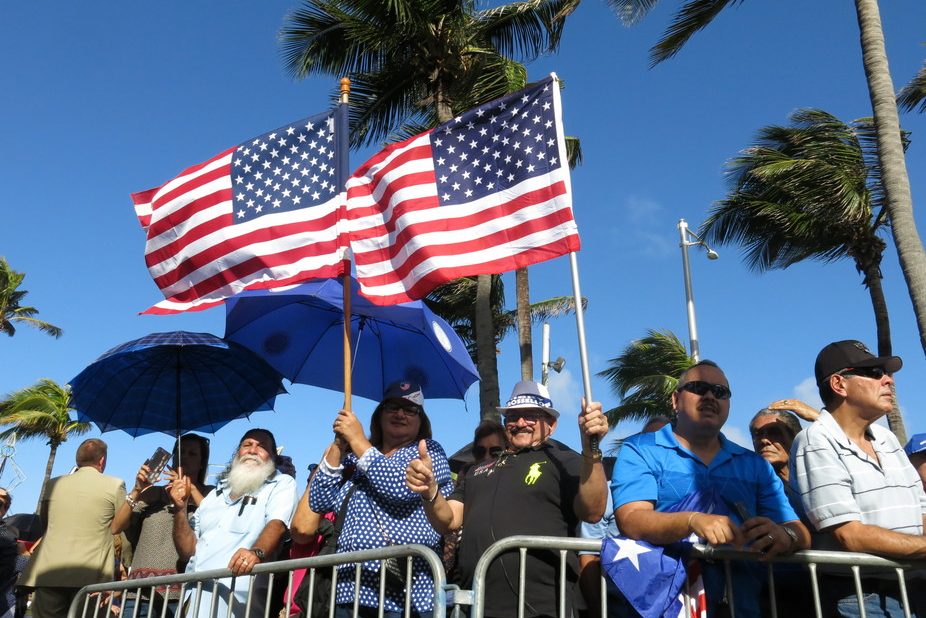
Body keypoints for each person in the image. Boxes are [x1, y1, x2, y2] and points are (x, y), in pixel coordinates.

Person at [613, 361, 810, 618]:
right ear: (675, 400)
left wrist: (784, 536)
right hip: (663, 606)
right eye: (698, 387)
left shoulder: (755, 466)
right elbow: (631, 519)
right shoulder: (639, 449)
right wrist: (692, 521)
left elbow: (799, 531)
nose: (709, 396)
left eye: (720, 391)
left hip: (743, 606)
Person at [407, 380, 609, 618]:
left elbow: (593, 511)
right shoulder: (476, 471)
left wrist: (591, 452)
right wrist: (430, 492)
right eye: (513, 416)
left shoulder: (565, 461)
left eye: (531, 415)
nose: (521, 423)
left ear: (551, 425)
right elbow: (448, 520)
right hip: (478, 605)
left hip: (544, 607)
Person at [791, 340, 926, 617]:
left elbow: (922, 512)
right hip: (861, 597)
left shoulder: (887, 439)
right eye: (875, 373)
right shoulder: (815, 440)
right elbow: (849, 535)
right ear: (839, 384)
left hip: (913, 587)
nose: (888, 380)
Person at [309, 380, 452, 618]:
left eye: (410, 409)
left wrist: (358, 441)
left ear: (421, 420)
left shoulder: (429, 451)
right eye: (392, 406)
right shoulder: (356, 459)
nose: (400, 413)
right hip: (350, 590)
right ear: (380, 414)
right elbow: (319, 501)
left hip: (406, 597)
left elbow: (400, 488)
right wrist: (338, 445)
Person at [170, 428, 296, 618]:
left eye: (261, 446)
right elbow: (188, 552)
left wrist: (256, 552)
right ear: (238, 453)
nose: (253, 450)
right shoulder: (214, 495)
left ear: (272, 457)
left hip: (235, 606)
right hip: (192, 602)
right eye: (247, 445)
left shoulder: (281, 484)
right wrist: (180, 509)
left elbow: (277, 524)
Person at [19, 439, 132, 617]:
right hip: (90, 575)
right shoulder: (115, 485)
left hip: (49, 572)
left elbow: (46, 524)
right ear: (102, 460)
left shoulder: (53, 484)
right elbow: (122, 525)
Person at [122, 434, 212, 617]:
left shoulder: (210, 494)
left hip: (184, 594)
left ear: (202, 463)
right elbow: (116, 527)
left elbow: (217, 519)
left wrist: (191, 489)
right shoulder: (153, 493)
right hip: (140, 593)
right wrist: (137, 489)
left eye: (192, 453)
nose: (184, 457)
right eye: (180, 452)